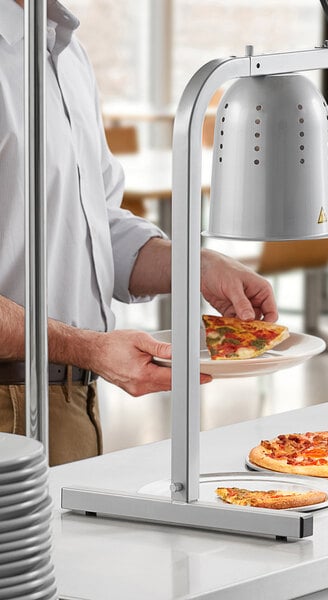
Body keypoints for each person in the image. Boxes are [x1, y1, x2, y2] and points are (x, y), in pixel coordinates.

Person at [0, 0, 278, 465]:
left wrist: (195, 265)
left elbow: (95, 225)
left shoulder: (65, 51)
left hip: (72, 399)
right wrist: (89, 347)